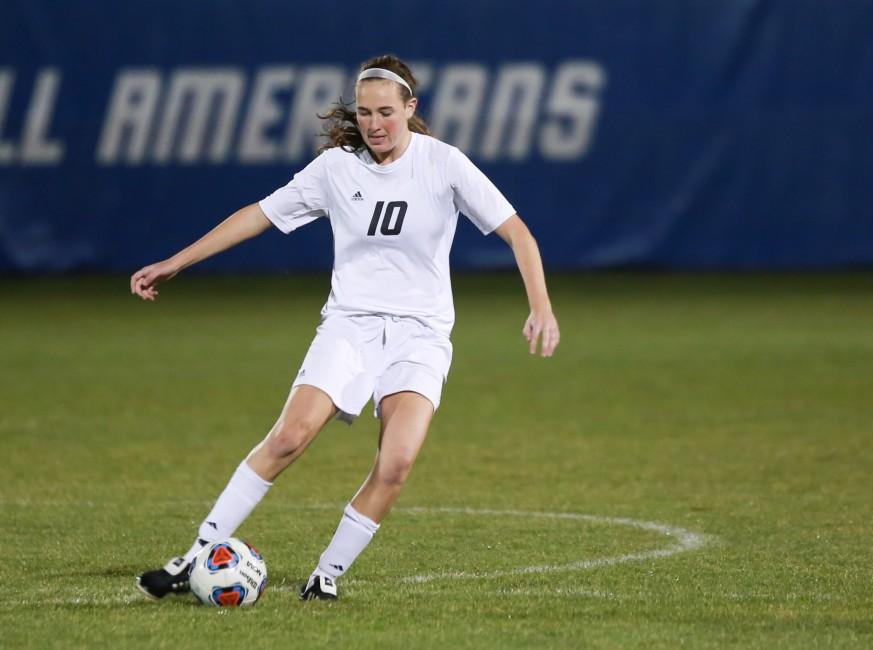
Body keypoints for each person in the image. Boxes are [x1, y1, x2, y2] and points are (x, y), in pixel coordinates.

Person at [131, 54, 560, 602]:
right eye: (364, 113)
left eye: (386, 111)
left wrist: (540, 306)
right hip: (350, 325)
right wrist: (177, 261)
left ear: (411, 108)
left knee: (398, 461)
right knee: (289, 436)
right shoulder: (336, 167)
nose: (375, 124)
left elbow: (519, 234)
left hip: (421, 334)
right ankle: (194, 555)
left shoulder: (443, 164)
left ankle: (326, 574)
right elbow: (259, 214)